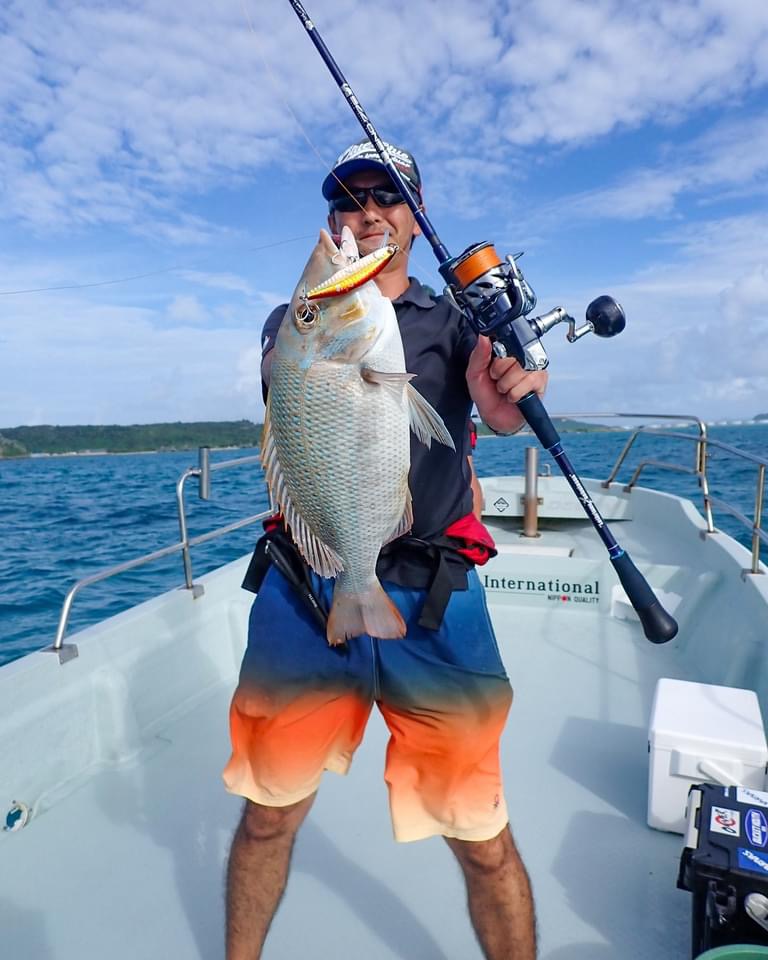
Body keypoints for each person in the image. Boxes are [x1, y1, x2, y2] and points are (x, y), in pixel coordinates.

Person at [223, 139, 548, 960]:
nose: (365, 214)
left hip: (434, 599)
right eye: (346, 202)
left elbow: (499, 414)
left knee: (480, 834)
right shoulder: (298, 319)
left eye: (386, 198)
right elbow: (289, 391)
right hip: (309, 588)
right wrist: (309, 329)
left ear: (417, 213)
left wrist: (504, 400)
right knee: (267, 817)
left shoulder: (455, 324)